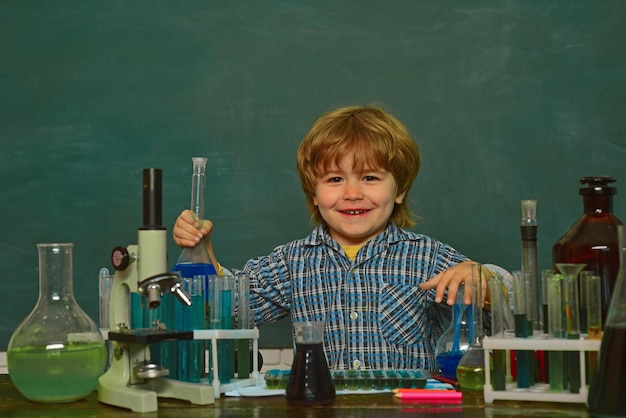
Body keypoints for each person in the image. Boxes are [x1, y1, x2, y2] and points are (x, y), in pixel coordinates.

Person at [173, 105, 510, 372]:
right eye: (335, 179)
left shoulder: (428, 258)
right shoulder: (293, 262)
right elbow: (231, 311)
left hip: (409, 410)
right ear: (314, 195)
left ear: (400, 190)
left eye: (369, 177)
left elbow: (505, 308)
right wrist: (203, 253)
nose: (352, 193)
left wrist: (487, 280)